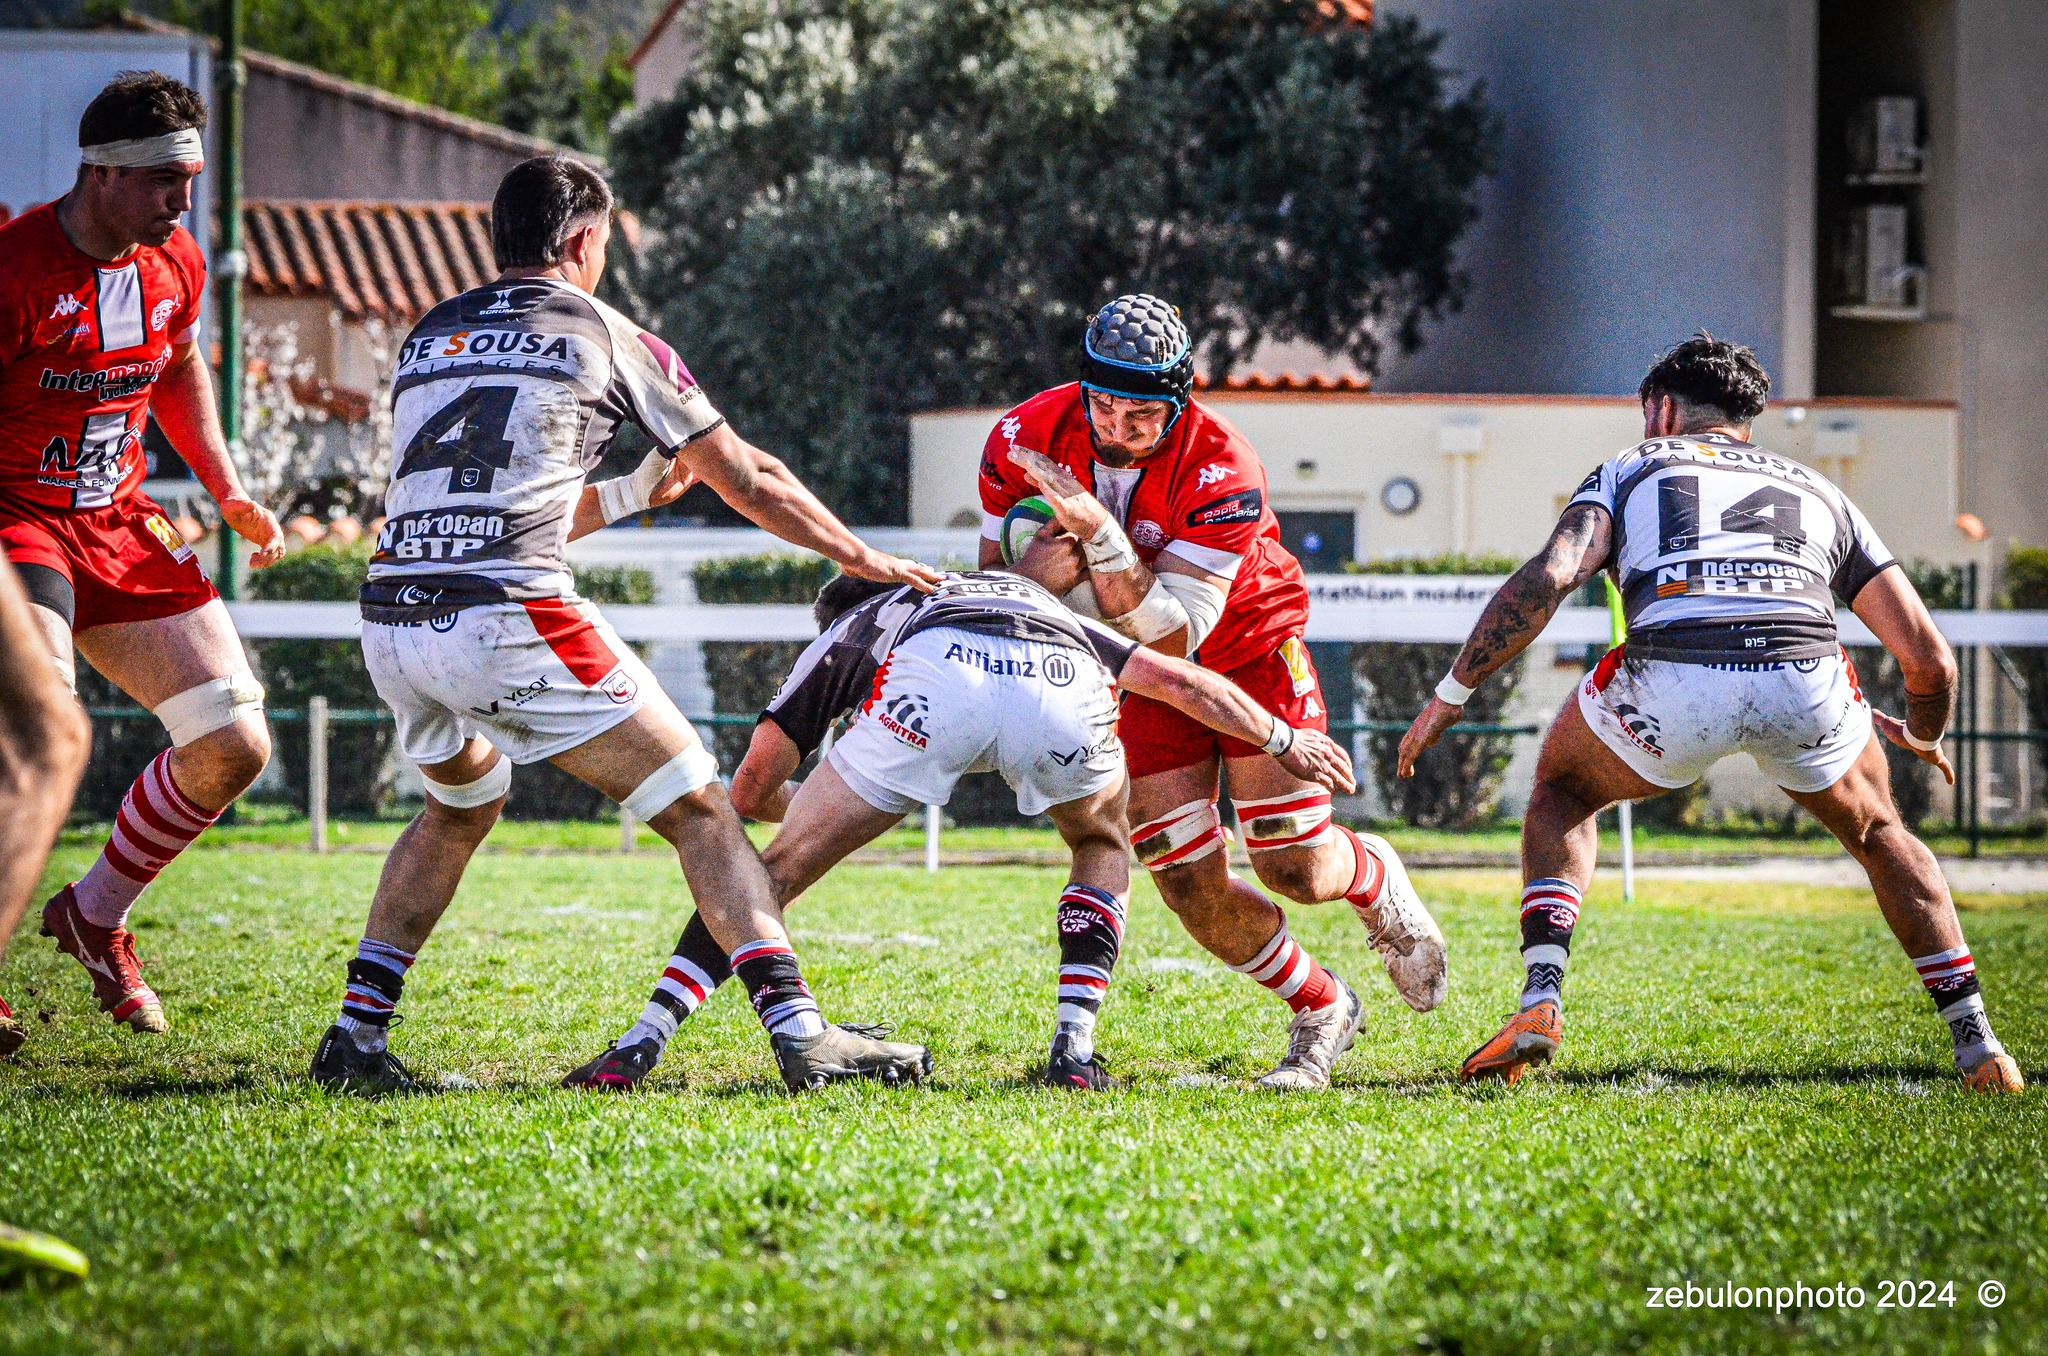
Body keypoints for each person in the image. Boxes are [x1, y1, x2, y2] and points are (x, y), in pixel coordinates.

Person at [307, 155, 943, 1094]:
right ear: (582, 240)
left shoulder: (431, 335)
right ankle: (804, 1035)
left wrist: (633, 492)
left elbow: (499, 507)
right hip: (508, 614)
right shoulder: (606, 332)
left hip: (395, 618)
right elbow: (749, 477)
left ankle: (356, 1039)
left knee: (458, 807)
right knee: (702, 809)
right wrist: (862, 556)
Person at [1399, 334, 2023, 1094]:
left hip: (1674, 675)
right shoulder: (1820, 490)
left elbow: (1553, 575)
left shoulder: (1633, 466)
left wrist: (1451, 695)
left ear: (1662, 410)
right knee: (1881, 833)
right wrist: (1922, 734)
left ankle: (1540, 998)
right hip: (1805, 677)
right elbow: (1931, 660)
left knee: (1564, 790)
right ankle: (1979, 1044)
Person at [564, 569, 1358, 1092]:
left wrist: (829, 807)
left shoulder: (855, 623)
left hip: (937, 679)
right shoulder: (1019, 594)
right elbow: (1176, 679)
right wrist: (1283, 738)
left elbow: (750, 789)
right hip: (1059, 677)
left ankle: (643, 1042)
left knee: (765, 876)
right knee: (1099, 842)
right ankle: (1074, 1053)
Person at [979, 294, 1445, 1090]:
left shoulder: (1224, 462)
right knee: (1187, 883)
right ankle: (1323, 1004)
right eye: (1103, 407)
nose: (1117, 429)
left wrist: (1098, 537)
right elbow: (1000, 585)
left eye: (1141, 417)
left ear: (1179, 403)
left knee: (1294, 866)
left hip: (1247, 649)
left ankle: (1371, 874)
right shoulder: (1023, 435)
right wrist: (1035, 574)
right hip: (1138, 675)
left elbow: (1179, 636)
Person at [0, 72, 287, 1036]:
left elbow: (180, 364)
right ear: (103, 174)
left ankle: (94, 916)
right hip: (17, 521)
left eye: (191, 181)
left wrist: (227, 486)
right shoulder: (13, 270)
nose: (183, 202)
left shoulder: (177, 263)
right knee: (33, 734)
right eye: (167, 181)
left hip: (120, 523)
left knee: (234, 742)